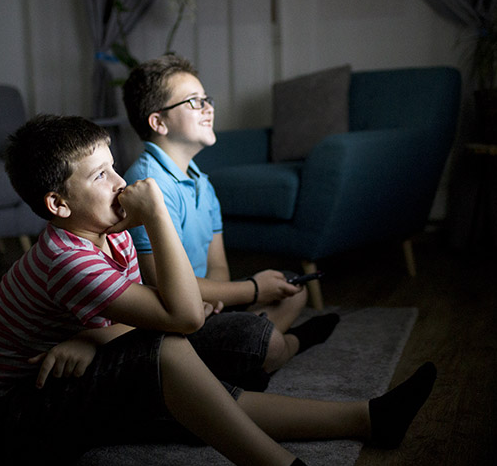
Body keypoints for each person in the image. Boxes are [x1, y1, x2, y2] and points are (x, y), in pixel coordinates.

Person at [0, 114, 436, 466]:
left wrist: (90, 342)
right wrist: (154, 216)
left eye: (114, 165)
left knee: (197, 399)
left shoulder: (108, 237)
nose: (118, 181)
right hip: (18, 421)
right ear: (58, 205)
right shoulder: (66, 258)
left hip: (58, 386)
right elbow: (185, 317)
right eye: (99, 175)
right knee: (170, 354)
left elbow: (159, 317)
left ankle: (367, 419)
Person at [120, 54, 339, 388]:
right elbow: (159, 286)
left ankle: (243, 356)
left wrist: (220, 301)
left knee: (292, 289)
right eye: (194, 102)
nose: (209, 108)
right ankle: (291, 344)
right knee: (268, 340)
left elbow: (217, 266)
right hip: (172, 316)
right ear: (158, 123)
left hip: (206, 306)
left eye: (207, 99)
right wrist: (252, 289)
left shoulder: (202, 183)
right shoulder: (146, 185)